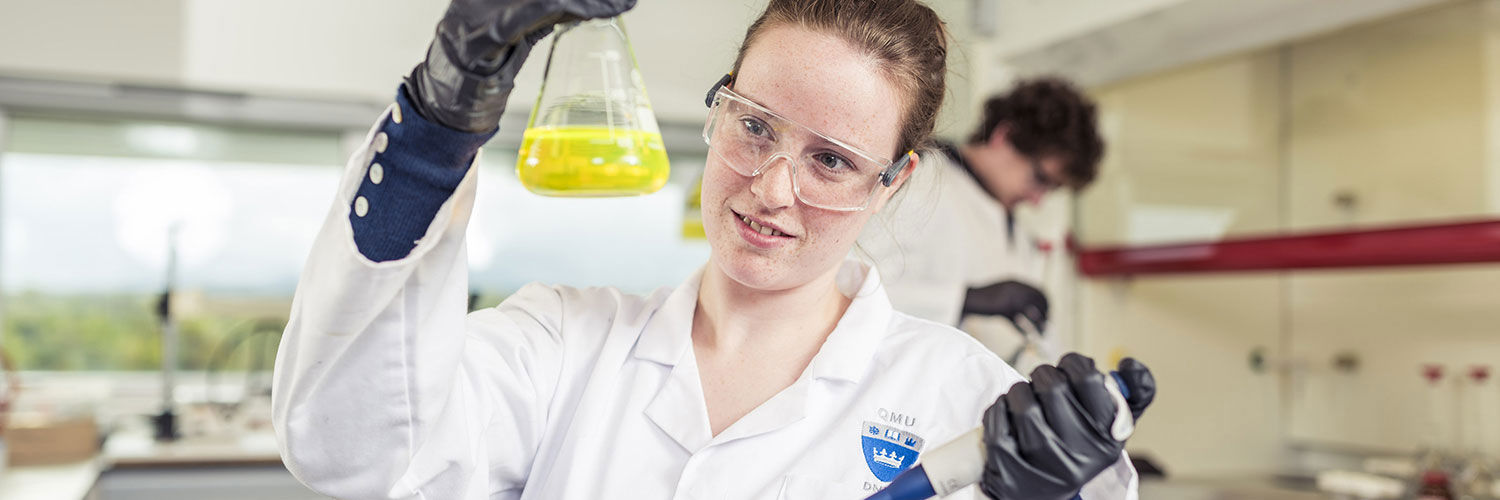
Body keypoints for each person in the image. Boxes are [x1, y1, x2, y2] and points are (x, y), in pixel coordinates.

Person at [272, 1, 1150, 499]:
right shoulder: (561, 346)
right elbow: (349, 452)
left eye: (832, 161)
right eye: (755, 126)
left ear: (893, 181)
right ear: (718, 107)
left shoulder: (963, 402)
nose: (770, 187)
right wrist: (438, 116)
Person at [861, 78, 1104, 372]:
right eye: (1039, 178)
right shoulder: (921, 177)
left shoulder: (1018, 233)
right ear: (1004, 135)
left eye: (1051, 189)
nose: (1037, 200)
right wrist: (966, 299)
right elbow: (845, 287)